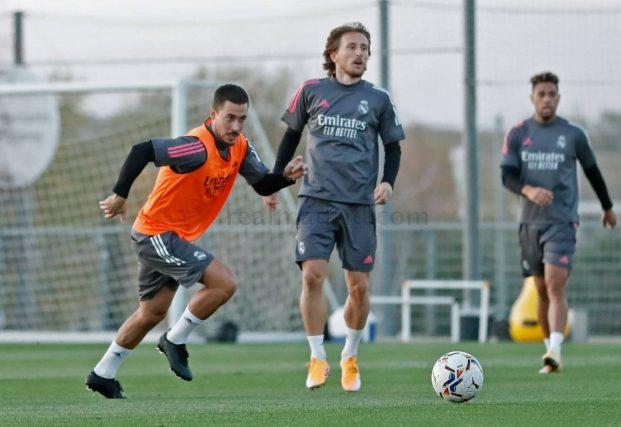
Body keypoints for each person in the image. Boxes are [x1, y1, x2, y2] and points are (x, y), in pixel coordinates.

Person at [85, 84, 307, 399]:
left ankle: (102, 374)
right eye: (229, 118)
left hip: (170, 237)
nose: (236, 126)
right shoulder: (195, 147)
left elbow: (262, 184)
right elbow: (142, 150)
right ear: (213, 114)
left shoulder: (240, 146)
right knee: (225, 283)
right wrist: (120, 194)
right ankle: (174, 340)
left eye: (242, 119)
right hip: (156, 234)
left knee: (151, 313)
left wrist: (285, 177)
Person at [271, 22, 405, 391]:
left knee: (358, 288)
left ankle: (349, 355)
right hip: (316, 199)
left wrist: (387, 181)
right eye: (352, 47)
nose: (360, 54)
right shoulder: (312, 91)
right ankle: (317, 357)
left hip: (359, 205)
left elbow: (393, 147)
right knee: (312, 274)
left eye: (365, 48)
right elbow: (290, 135)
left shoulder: (378, 98)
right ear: (334, 54)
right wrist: (276, 179)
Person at [501, 71, 617, 374]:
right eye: (541, 94)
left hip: (563, 221)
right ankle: (549, 351)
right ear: (533, 98)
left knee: (555, 285)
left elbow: (593, 171)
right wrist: (528, 190)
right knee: (540, 289)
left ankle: (555, 348)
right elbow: (507, 176)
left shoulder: (573, 134)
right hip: (529, 223)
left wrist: (607, 207)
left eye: (552, 94)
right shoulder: (517, 133)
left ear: (558, 98)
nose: (547, 99)